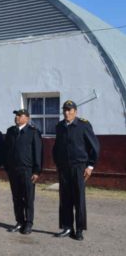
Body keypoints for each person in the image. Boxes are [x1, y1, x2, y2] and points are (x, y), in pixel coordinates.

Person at [53, 100, 100, 241]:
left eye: (70, 110)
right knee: (65, 198)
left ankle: (79, 229)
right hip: (64, 168)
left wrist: (90, 166)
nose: (67, 113)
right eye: (65, 110)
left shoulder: (83, 125)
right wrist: (58, 164)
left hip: (79, 167)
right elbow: (56, 147)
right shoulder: (59, 126)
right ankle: (67, 227)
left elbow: (95, 147)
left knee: (79, 198)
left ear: (75, 111)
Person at [4, 109, 42, 235]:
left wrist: (37, 171)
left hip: (27, 171)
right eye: (16, 116)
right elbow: (7, 151)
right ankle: (20, 221)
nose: (17, 118)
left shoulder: (33, 132)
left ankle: (29, 223)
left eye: (20, 116)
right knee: (16, 198)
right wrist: (7, 167)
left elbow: (38, 153)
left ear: (27, 118)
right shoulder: (11, 131)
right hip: (14, 171)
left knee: (28, 198)